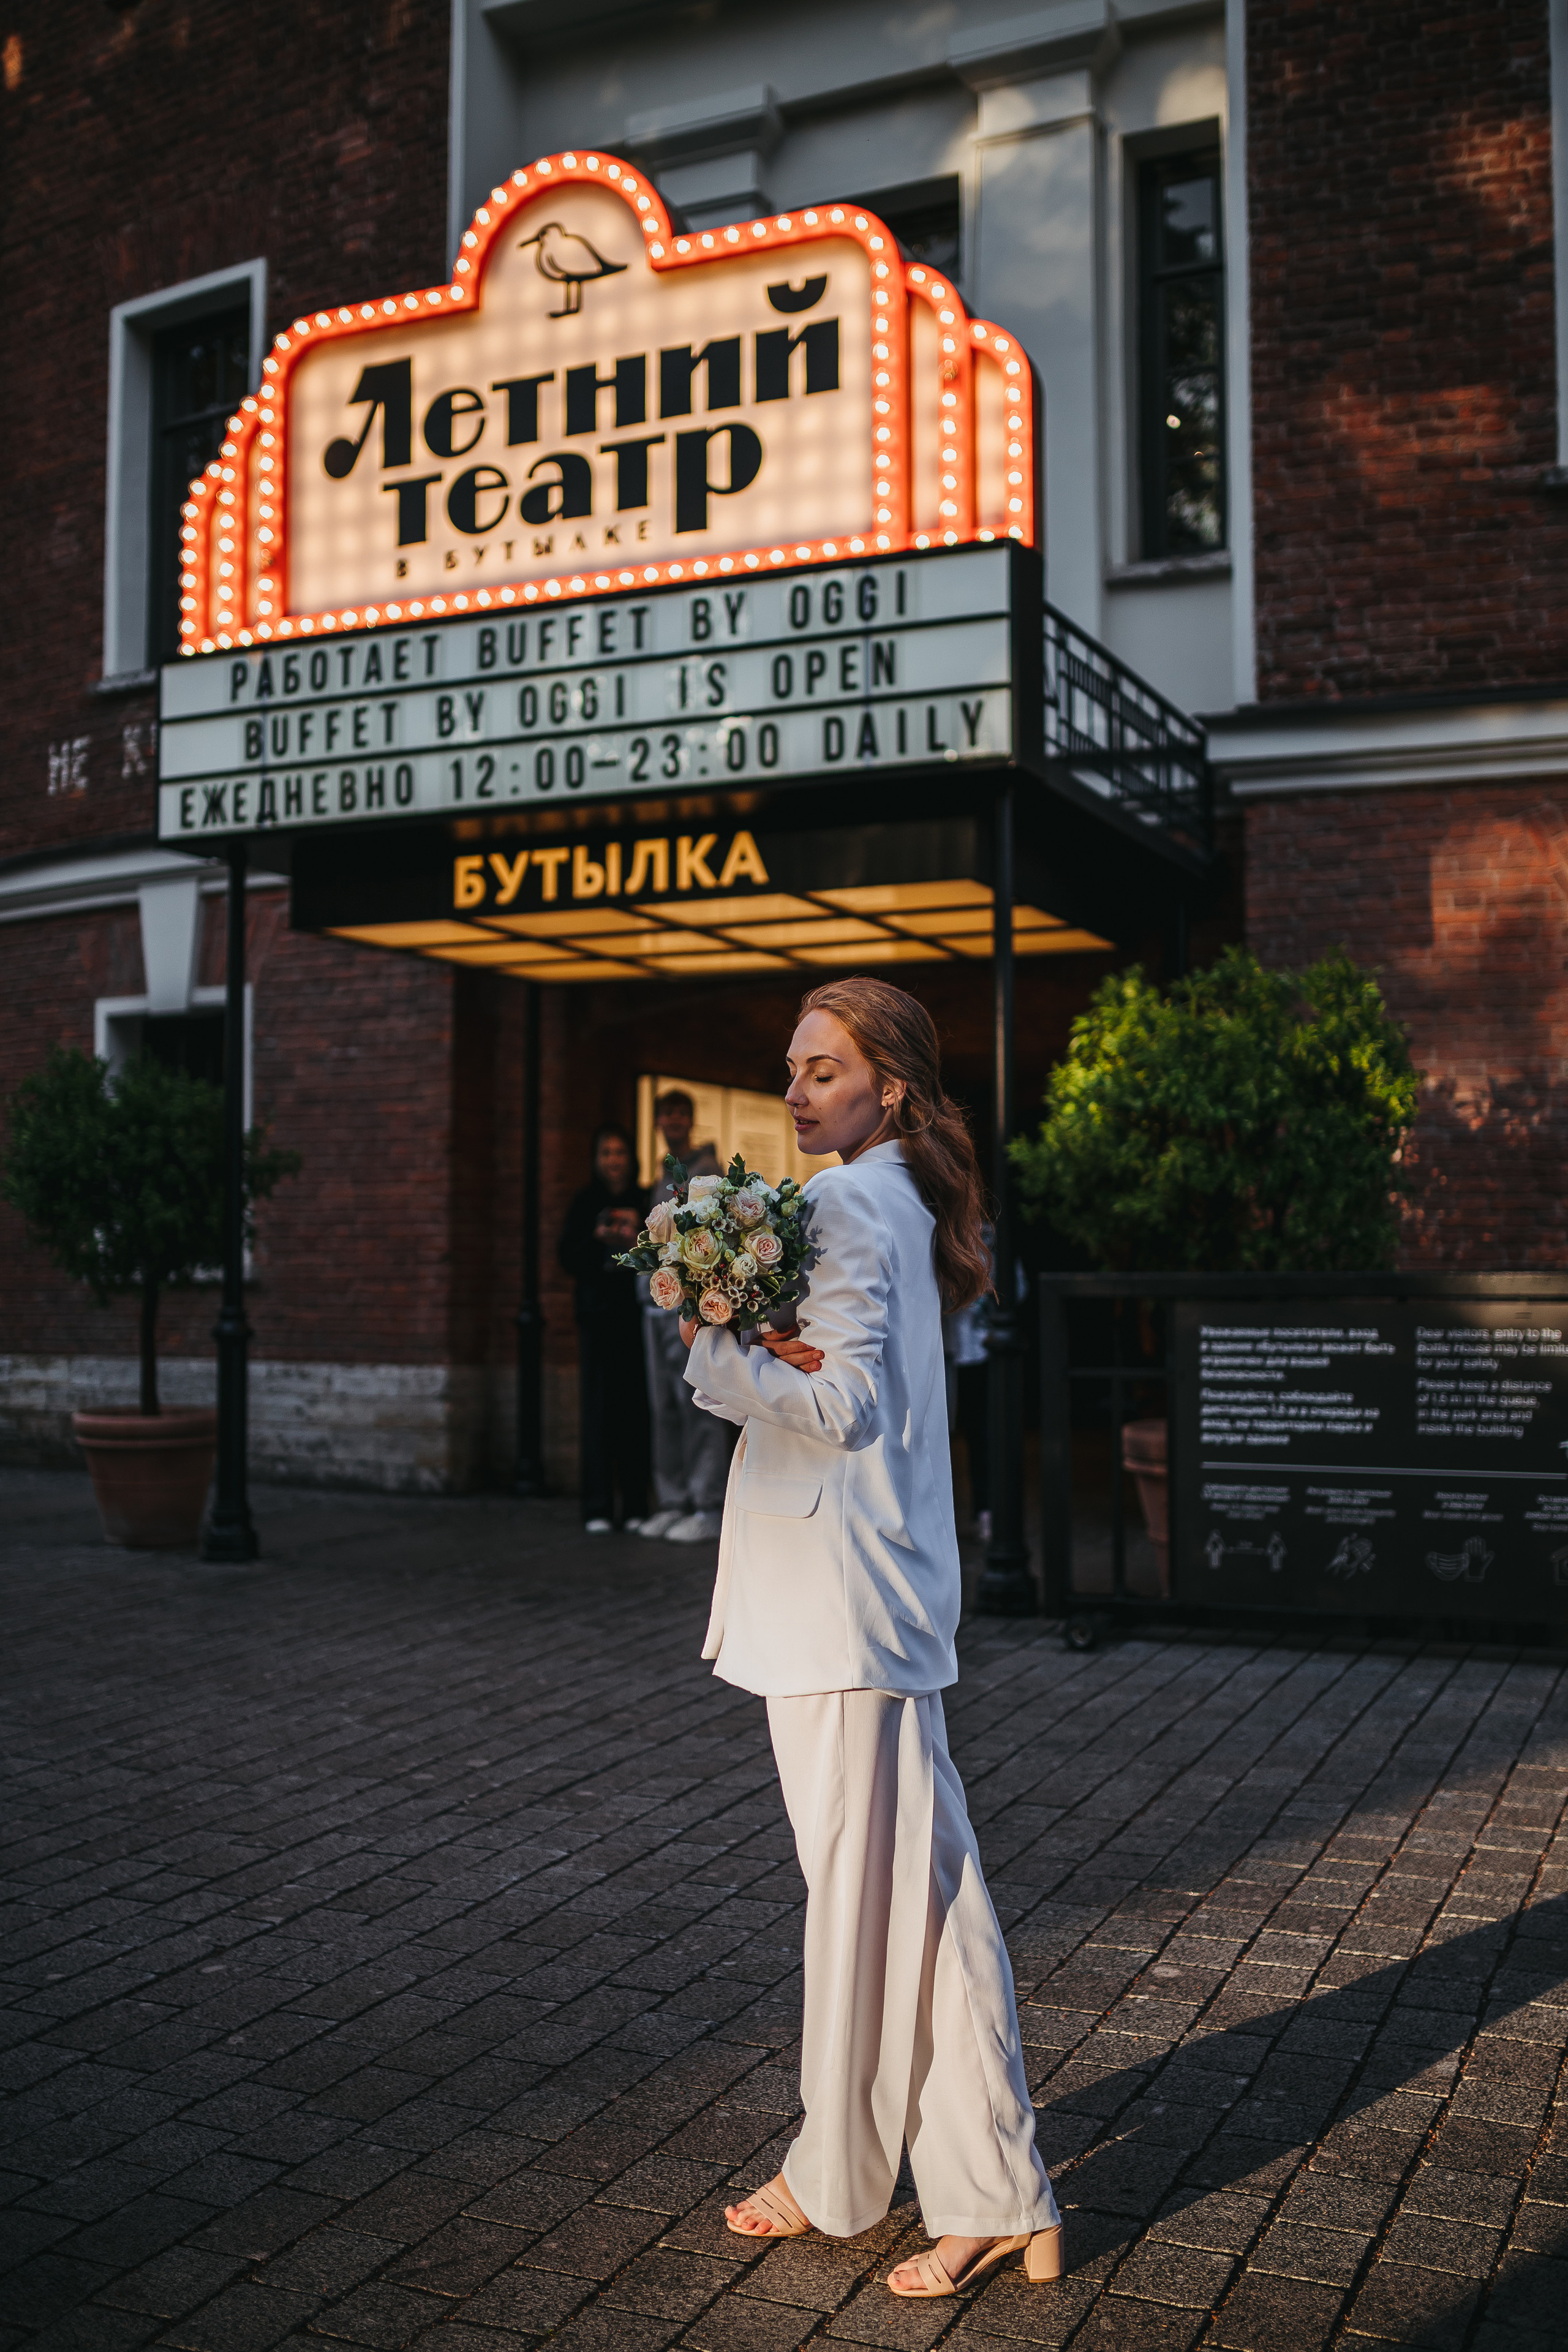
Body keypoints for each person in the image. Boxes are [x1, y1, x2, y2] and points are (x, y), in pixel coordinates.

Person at [678, 977, 1063, 2301]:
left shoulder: (848, 1201)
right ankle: (997, 2190)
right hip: (877, 1596)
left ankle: (842, 2170)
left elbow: (835, 1404)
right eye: (791, 1067)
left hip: (837, 1608)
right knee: (929, 1898)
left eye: (824, 1070)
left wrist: (711, 1343)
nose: (797, 1092)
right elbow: (871, 1382)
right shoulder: (900, 1198)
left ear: (888, 1085)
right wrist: (767, 1331)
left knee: (867, 1908)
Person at [639, 1090, 729, 1544]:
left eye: (680, 1113)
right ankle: (673, 1501)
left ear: (690, 1120)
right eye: (666, 1114)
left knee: (698, 1404)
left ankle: (706, 1504)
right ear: (657, 1122)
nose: (673, 1120)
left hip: (690, 1306)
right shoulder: (659, 1174)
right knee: (664, 1407)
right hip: (654, 1304)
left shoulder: (707, 1171)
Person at [556, 1123, 650, 1533]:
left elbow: (662, 1252)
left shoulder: (644, 1200)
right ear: (597, 1160)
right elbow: (566, 1258)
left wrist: (637, 1232)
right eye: (606, 1153)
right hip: (597, 1318)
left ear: (632, 1158)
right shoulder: (584, 1202)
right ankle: (597, 1507)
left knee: (635, 1412)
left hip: (635, 1317)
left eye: (620, 1153)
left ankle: (634, 1506)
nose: (613, 1160)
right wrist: (597, 1237)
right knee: (596, 1413)